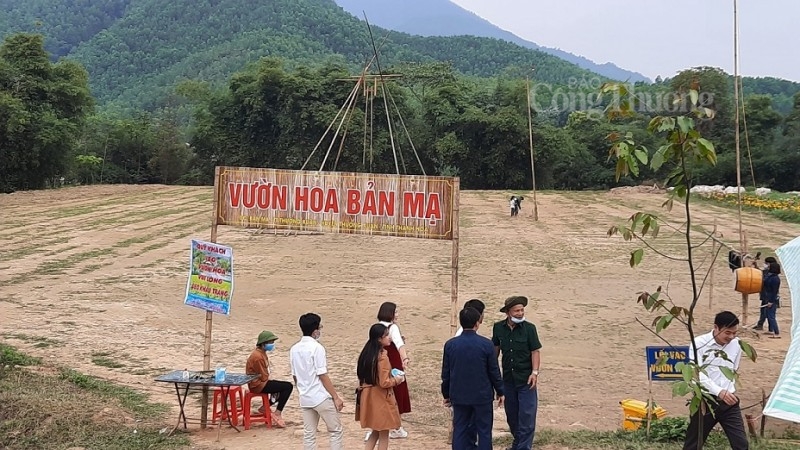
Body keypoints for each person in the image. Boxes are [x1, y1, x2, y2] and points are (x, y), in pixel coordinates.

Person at [683, 311, 749, 450]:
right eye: (728, 333)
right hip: (705, 401)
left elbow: (733, 369)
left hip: (729, 402)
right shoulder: (699, 344)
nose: (731, 337)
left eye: (734, 333)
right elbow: (696, 375)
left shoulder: (737, 344)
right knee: (693, 444)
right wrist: (719, 392)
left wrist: (727, 392)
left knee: (741, 444)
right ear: (716, 327)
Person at [442, 307, 504, 450]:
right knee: (484, 431)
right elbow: (494, 371)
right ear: (477, 323)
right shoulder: (486, 344)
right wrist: (500, 391)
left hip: (458, 395)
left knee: (460, 429)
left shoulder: (450, 345)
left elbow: (446, 373)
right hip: (482, 396)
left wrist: (446, 394)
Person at [491, 296, 542, 450]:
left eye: (522, 310)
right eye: (517, 310)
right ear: (508, 312)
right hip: (508, 380)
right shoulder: (498, 328)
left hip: (526, 380)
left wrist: (535, 372)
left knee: (527, 417)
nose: (520, 313)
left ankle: (523, 447)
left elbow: (535, 351)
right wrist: (493, 374)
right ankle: (518, 444)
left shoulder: (530, 329)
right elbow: (495, 351)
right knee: (512, 417)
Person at [289, 313, 345, 450]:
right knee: (335, 431)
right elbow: (322, 375)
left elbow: (295, 375)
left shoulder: (294, 349)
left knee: (309, 434)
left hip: (305, 397)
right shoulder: (317, 348)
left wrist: (302, 389)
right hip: (320, 396)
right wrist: (335, 397)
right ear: (315, 330)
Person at [356, 323, 406, 450]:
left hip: (368, 396)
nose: (389, 337)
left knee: (375, 432)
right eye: (386, 335)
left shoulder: (367, 353)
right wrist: (397, 380)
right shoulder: (382, 357)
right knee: (384, 433)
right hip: (381, 398)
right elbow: (384, 382)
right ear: (379, 339)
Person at [372, 302, 410, 440]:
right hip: (392, 363)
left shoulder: (377, 327)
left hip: (378, 363)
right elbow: (400, 345)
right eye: (396, 312)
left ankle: (376, 426)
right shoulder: (392, 327)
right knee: (397, 392)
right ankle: (396, 427)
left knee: (380, 392)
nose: (397, 315)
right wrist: (405, 358)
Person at [245, 330, 293, 427]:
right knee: (288, 387)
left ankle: (266, 406)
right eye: (270, 343)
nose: (272, 344)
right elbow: (263, 375)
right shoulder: (258, 356)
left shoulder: (261, 353)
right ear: (263, 344)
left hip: (261, 382)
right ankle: (278, 412)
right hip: (258, 384)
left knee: (280, 386)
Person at [753, 256, 778, 331]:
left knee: (769, 314)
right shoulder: (768, 272)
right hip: (765, 295)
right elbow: (760, 273)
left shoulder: (772, 276)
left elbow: (774, 290)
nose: (765, 264)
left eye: (766, 263)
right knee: (764, 311)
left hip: (769, 296)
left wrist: (771, 300)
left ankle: (773, 330)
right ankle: (761, 325)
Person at [762, 262, 782, 339]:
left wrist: (771, 301)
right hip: (768, 297)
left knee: (771, 316)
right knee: (767, 314)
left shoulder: (775, 279)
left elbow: (774, 291)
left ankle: (776, 332)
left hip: (772, 299)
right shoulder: (770, 276)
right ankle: (771, 330)